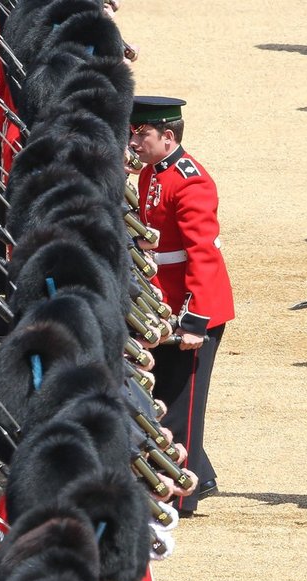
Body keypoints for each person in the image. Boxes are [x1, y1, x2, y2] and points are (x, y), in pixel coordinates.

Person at [128, 95, 234, 516]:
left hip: (193, 310)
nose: (133, 142)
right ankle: (200, 474)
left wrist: (195, 320)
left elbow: (202, 254)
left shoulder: (190, 181)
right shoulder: (153, 174)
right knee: (165, 399)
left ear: (167, 136)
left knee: (181, 405)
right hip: (164, 304)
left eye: (142, 135)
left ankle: (181, 494)